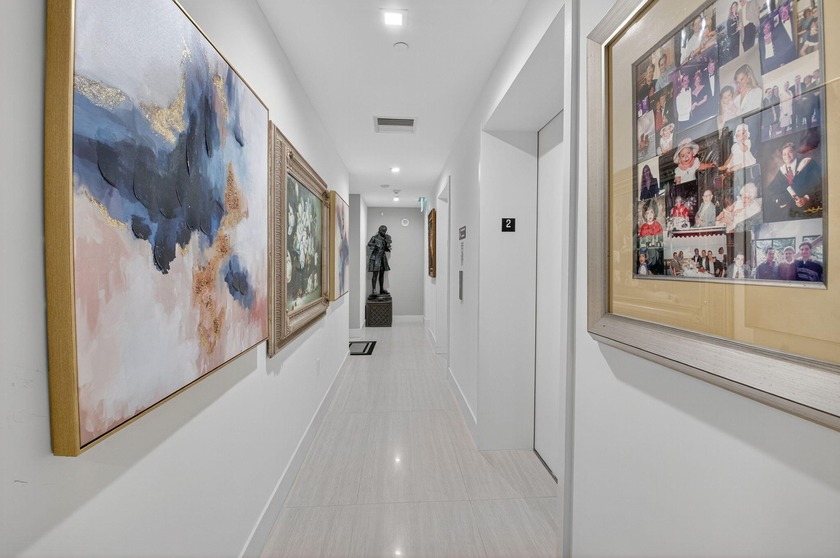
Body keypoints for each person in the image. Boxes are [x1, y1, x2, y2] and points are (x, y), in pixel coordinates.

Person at [765, 142, 822, 221]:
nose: (787, 156)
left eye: (790, 152)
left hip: (810, 207)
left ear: (795, 152)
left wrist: (806, 198)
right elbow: (773, 188)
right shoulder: (782, 171)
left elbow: (820, 184)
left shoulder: (808, 164)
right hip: (791, 210)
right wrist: (779, 200)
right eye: (784, 154)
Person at [367, 225, 392, 297]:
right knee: (375, 274)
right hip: (376, 257)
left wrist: (388, 245)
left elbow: (386, 248)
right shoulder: (374, 237)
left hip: (382, 257)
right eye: (383, 231)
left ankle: (381, 289)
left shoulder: (385, 239)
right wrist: (376, 244)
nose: (384, 232)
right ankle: (374, 290)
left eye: (385, 231)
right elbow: (369, 244)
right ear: (379, 230)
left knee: (382, 274)